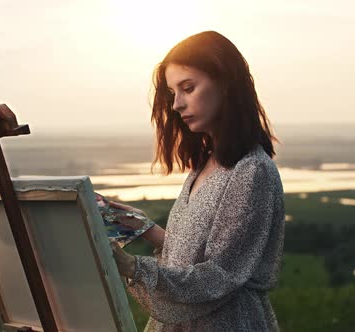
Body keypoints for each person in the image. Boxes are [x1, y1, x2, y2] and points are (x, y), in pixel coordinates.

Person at [108, 30, 285, 332]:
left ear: (226, 84)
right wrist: (143, 226)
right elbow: (188, 256)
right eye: (172, 93)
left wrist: (132, 267)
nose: (176, 104)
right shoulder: (205, 163)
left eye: (188, 88)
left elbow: (220, 275)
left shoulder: (251, 171)